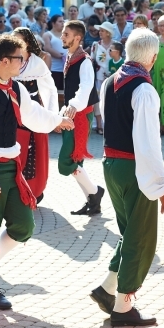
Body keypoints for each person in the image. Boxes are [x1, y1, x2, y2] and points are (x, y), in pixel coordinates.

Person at [0, 34, 74, 310]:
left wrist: (58, 121)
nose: (23, 63)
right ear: (3, 61)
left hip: (11, 166)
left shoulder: (14, 88)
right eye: (19, 59)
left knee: (24, 226)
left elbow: (33, 114)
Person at [90, 29, 164, 327]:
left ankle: (108, 289)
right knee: (141, 238)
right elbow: (148, 144)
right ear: (153, 58)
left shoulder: (109, 81)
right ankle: (124, 307)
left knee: (130, 233)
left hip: (111, 165)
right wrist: (163, 187)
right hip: (134, 168)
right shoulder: (143, 89)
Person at [55, 20, 105, 215]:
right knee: (77, 162)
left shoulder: (84, 61)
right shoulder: (70, 57)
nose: (62, 36)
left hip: (80, 116)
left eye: (66, 34)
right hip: (73, 114)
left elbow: (85, 88)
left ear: (77, 38)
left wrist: (72, 106)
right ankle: (93, 203)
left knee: (66, 162)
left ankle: (96, 192)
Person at [13, 28, 59, 202]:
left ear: (28, 42)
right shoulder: (11, 60)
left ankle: (35, 190)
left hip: (35, 113)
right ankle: (17, 188)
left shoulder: (37, 63)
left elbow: (49, 89)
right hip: (14, 115)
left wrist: (52, 116)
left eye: (20, 40)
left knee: (35, 152)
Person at [91, 21, 115, 134]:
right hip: (99, 76)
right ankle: (99, 125)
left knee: (111, 100)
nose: (100, 32)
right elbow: (92, 59)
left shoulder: (116, 44)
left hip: (113, 77)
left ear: (109, 33)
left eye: (103, 30)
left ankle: (110, 125)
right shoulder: (96, 45)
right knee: (98, 100)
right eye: (100, 30)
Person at [43, 14, 66, 91]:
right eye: (60, 21)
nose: (62, 23)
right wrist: (61, 56)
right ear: (53, 23)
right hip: (54, 68)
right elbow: (47, 48)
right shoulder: (47, 34)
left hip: (66, 68)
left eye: (63, 21)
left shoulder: (66, 35)